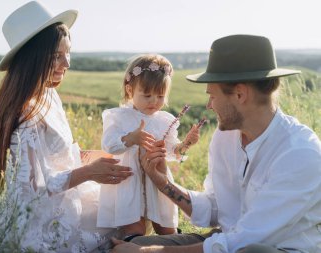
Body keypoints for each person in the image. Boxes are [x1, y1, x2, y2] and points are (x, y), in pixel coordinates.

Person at [111, 34, 321, 253]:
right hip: (227, 238)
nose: (209, 105)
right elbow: (214, 208)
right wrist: (162, 181)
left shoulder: (299, 153)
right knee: (135, 244)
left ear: (240, 94)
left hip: (274, 248)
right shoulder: (225, 137)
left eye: (212, 95)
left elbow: (246, 240)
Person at [0, 1, 133, 252]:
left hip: (66, 192)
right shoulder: (25, 114)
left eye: (68, 53)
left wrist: (91, 158)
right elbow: (34, 188)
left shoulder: (48, 95)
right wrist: (89, 173)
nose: (66, 63)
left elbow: (56, 155)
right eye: (56, 56)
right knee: (123, 216)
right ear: (32, 59)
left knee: (127, 201)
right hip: (44, 214)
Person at [97, 54, 200, 241]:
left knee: (166, 227)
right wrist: (131, 138)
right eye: (147, 95)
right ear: (130, 90)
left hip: (158, 181)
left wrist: (185, 145)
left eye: (160, 96)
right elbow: (109, 145)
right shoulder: (119, 117)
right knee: (134, 227)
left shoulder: (163, 120)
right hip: (129, 180)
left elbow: (171, 151)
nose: (154, 101)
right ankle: (133, 242)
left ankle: (171, 243)